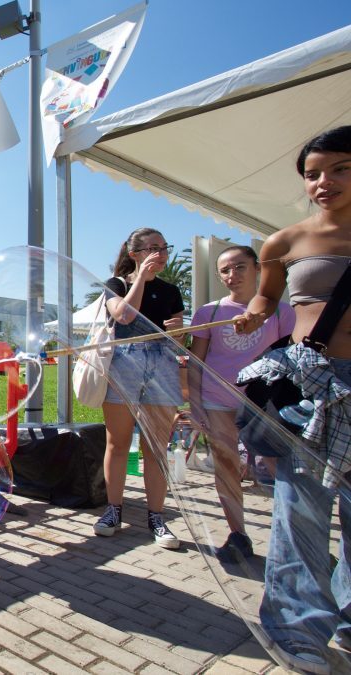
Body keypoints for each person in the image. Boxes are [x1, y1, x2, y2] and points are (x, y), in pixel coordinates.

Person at [233, 125, 351, 673]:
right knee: (300, 509)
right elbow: (267, 295)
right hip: (312, 383)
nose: (323, 182)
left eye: (340, 169)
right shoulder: (284, 243)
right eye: (312, 174)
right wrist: (256, 309)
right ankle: (295, 630)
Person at [188, 246, 294, 563]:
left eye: (239, 267)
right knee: (226, 466)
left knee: (278, 467)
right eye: (224, 270)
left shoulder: (281, 312)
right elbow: (196, 362)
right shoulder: (208, 312)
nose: (232, 276)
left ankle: (293, 538)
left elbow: (289, 358)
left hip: (265, 402)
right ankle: (238, 534)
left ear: (258, 268)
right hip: (218, 399)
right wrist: (195, 404)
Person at [92, 227, 185, 549]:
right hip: (125, 360)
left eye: (164, 248)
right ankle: (113, 511)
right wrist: (140, 280)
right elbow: (124, 316)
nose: (160, 254)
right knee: (117, 443)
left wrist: (179, 330)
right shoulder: (116, 285)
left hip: (162, 361)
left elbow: (179, 337)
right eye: (152, 248)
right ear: (135, 254)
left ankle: (156, 517)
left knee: (155, 447)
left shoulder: (172, 291)